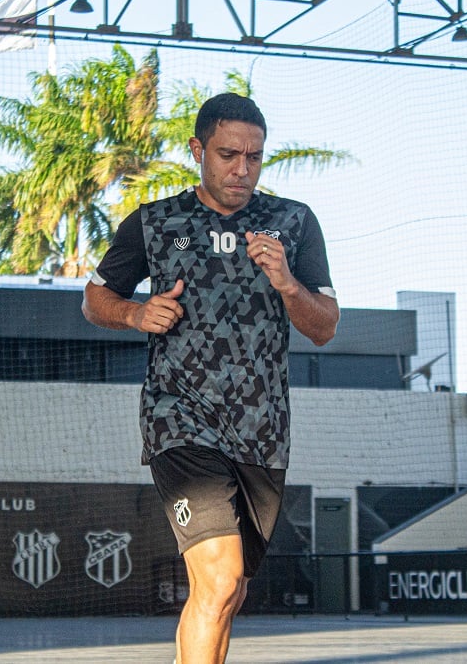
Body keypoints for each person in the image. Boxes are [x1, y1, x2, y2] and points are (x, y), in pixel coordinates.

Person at [82, 92, 339, 664]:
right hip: (180, 419)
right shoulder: (156, 222)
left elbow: (324, 327)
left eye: (254, 157)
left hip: (262, 433)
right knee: (220, 579)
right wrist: (134, 313)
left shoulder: (292, 223)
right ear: (198, 150)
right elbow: (95, 297)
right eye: (228, 154)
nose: (241, 169)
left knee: (228, 589)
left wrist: (289, 284)